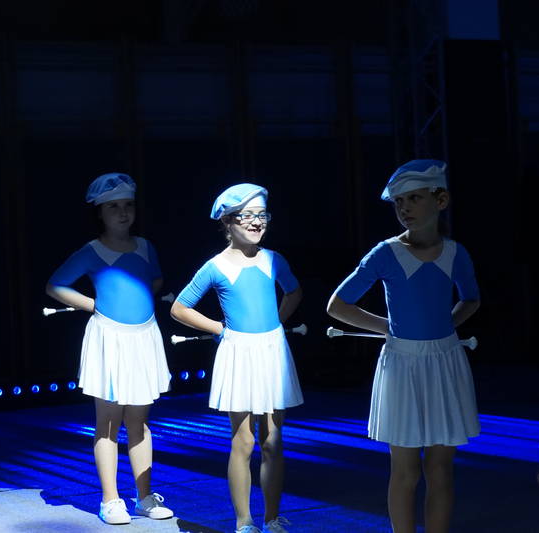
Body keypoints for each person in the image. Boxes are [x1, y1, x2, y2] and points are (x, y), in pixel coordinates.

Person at [326, 160, 480, 533]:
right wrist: (389, 328)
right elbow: (337, 305)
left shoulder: (456, 253)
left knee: (440, 468)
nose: (404, 208)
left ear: (440, 200)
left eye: (414, 198)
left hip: (445, 362)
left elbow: (471, 299)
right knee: (406, 471)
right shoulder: (385, 253)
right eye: (398, 202)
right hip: (402, 365)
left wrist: (446, 325)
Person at [170, 183, 303, 533]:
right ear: (227, 221)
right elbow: (180, 308)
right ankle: (244, 521)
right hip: (238, 352)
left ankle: (272, 518)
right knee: (243, 440)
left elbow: (294, 291)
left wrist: (276, 324)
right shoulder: (215, 266)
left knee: (273, 440)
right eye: (247, 216)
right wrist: (219, 328)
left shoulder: (274, 259)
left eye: (262, 215)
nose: (257, 222)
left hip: (272, 351)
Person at [46, 173, 174, 525]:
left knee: (140, 424)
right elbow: (56, 285)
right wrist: (94, 305)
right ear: (100, 213)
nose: (122, 212)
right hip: (109, 338)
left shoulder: (146, 246)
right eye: (113, 206)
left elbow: (156, 278)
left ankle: (144, 497)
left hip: (144, 337)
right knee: (107, 424)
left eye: (128, 205)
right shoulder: (91, 251)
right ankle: (110, 500)